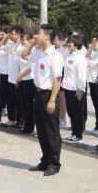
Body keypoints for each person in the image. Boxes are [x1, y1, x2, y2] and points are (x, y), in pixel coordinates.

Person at [21, 23, 64, 176]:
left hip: (49, 94)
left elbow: (57, 80)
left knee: (51, 130)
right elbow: (24, 55)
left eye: (38, 33)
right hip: (38, 93)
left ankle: (54, 163)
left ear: (46, 35)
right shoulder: (38, 52)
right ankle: (45, 160)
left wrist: (52, 100)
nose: (36, 35)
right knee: (41, 129)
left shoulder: (55, 56)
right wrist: (32, 43)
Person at [61, 34, 89, 143]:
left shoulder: (80, 57)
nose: (68, 44)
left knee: (78, 112)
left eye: (70, 43)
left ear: (76, 44)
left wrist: (80, 89)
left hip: (76, 89)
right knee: (71, 111)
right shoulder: (68, 55)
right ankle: (74, 132)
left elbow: (82, 75)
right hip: (68, 87)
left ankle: (78, 134)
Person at [17, 32, 37, 134]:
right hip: (23, 80)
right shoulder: (26, 50)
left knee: (29, 105)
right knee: (24, 104)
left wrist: (20, 76)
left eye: (25, 39)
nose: (23, 41)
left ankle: (29, 126)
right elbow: (23, 56)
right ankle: (26, 124)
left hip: (30, 80)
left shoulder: (34, 50)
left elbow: (30, 67)